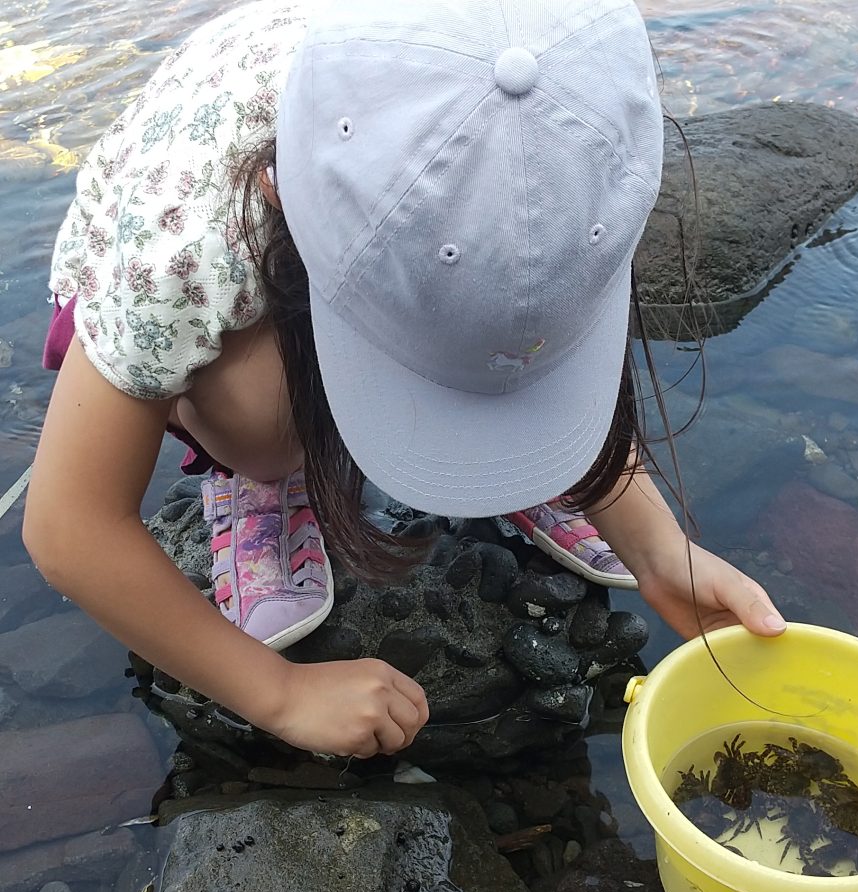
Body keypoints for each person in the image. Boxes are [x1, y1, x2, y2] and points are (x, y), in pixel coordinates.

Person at [24, 0, 786, 761]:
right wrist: (279, 694)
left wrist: (660, 551)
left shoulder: (570, 148)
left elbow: (538, 308)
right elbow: (70, 527)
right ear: (280, 191)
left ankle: (503, 423)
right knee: (263, 412)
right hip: (213, 281)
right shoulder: (184, 251)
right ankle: (258, 481)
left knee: (509, 324)